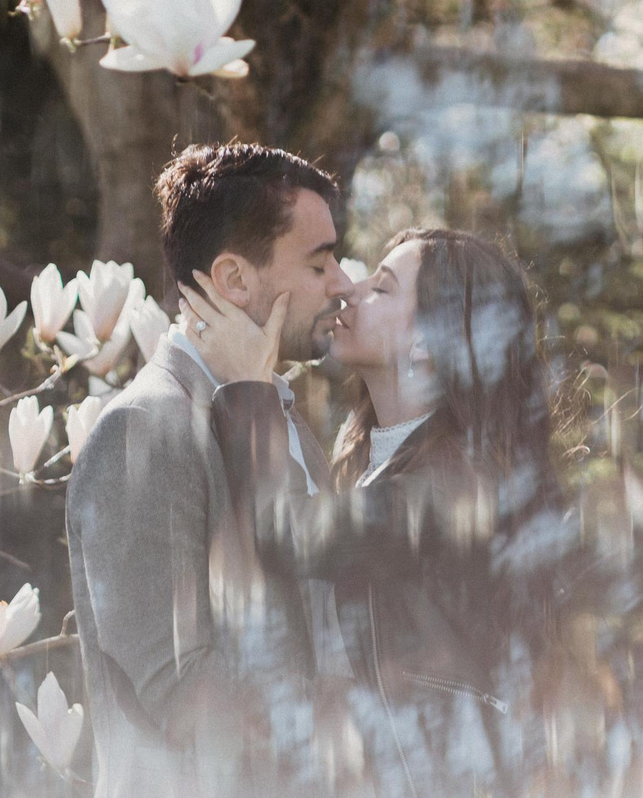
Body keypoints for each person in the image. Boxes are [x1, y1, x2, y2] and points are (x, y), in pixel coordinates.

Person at [183, 228, 567, 788]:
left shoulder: (462, 485)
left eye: (382, 289)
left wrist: (248, 386)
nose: (350, 289)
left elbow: (290, 534)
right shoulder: (374, 465)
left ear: (429, 343)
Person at [66, 143, 354, 796]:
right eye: (319, 262)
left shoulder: (287, 417)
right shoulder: (145, 429)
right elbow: (183, 696)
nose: (340, 282)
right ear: (234, 281)